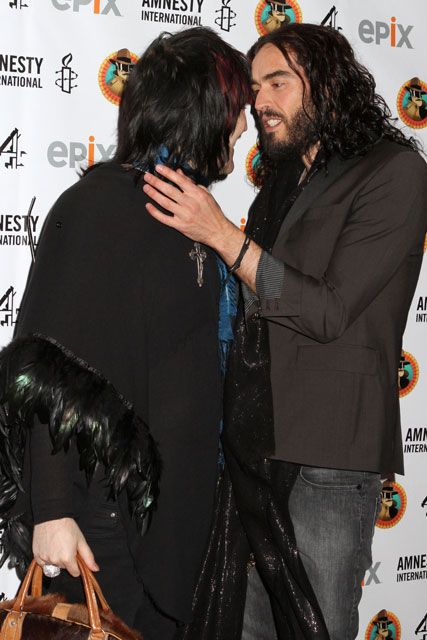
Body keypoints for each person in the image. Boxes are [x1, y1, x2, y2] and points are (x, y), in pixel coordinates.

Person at [141, 23, 427, 640]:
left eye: (278, 83)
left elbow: (327, 310)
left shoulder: (394, 172)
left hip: (327, 454)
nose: (259, 103)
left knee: (313, 628)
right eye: (254, 88)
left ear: (326, 85)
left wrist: (222, 235)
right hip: (254, 445)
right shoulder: (284, 180)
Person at [0, 27, 251, 640]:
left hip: (177, 525)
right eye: (235, 111)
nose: (243, 128)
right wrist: (54, 511)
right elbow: (46, 375)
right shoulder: (98, 209)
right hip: (105, 521)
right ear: (200, 112)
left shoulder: (195, 219)